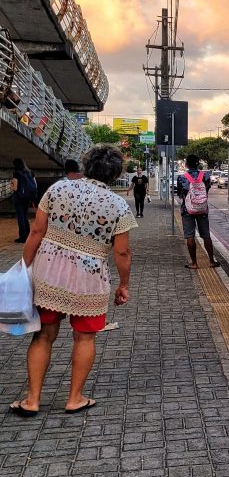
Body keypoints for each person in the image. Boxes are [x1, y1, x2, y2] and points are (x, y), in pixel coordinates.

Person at [8, 145, 136, 417]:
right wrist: (124, 284)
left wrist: (24, 268)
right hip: (89, 279)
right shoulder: (118, 206)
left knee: (43, 335)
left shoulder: (58, 189)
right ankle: (74, 398)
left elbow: (36, 232)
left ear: (86, 165)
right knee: (84, 337)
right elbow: (122, 252)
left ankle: (32, 400)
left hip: (50, 272)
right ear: (115, 174)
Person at [176, 154, 219, 269]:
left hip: (187, 210)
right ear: (198, 164)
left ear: (186, 165)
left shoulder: (182, 177)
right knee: (206, 235)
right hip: (202, 209)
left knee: (190, 236)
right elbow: (207, 189)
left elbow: (179, 193)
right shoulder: (205, 176)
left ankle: (194, 263)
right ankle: (211, 261)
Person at [10, 158, 37, 243]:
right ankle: (28, 235)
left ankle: (22, 237)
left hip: (19, 198)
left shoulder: (16, 173)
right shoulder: (30, 172)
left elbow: (14, 188)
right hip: (28, 197)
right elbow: (35, 185)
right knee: (24, 216)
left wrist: (11, 184)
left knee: (20, 217)